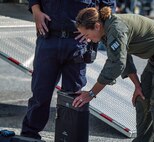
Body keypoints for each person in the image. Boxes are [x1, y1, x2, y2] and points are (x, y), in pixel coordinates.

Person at [73, 6, 154, 142]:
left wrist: (92, 93)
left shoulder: (116, 28)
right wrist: (137, 86)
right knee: (142, 99)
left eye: (87, 35)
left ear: (97, 26)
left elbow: (116, 64)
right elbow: (124, 58)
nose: (88, 40)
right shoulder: (106, 30)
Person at [21, 0, 116, 140]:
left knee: (73, 97)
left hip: (77, 43)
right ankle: (29, 135)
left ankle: (70, 137)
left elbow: (107, 5)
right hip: (48, 38)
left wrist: (93, 28)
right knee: (40, 93)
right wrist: (36, 12)